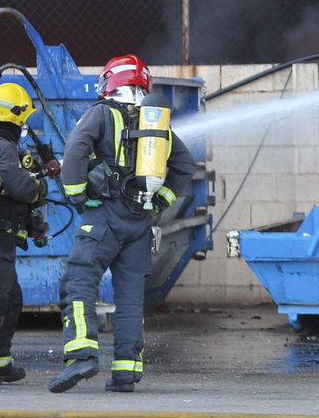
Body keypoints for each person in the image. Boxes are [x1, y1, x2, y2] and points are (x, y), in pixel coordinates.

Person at [51, 54, 195, 394]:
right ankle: (126, 373)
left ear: (110, 82)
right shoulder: (155, 129)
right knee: (130, 298)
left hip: (104, 217)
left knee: (78, 281)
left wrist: (77, 195)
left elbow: (75, 148)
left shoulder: (101, 113)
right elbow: (185, 165)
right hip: (139, 223)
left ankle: (82, 354)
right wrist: (160, 201)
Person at [0, 82, 59, 389]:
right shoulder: (3, 148)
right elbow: (22, 188)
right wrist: (41, 186)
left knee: (10, 297)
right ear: (15, 119)